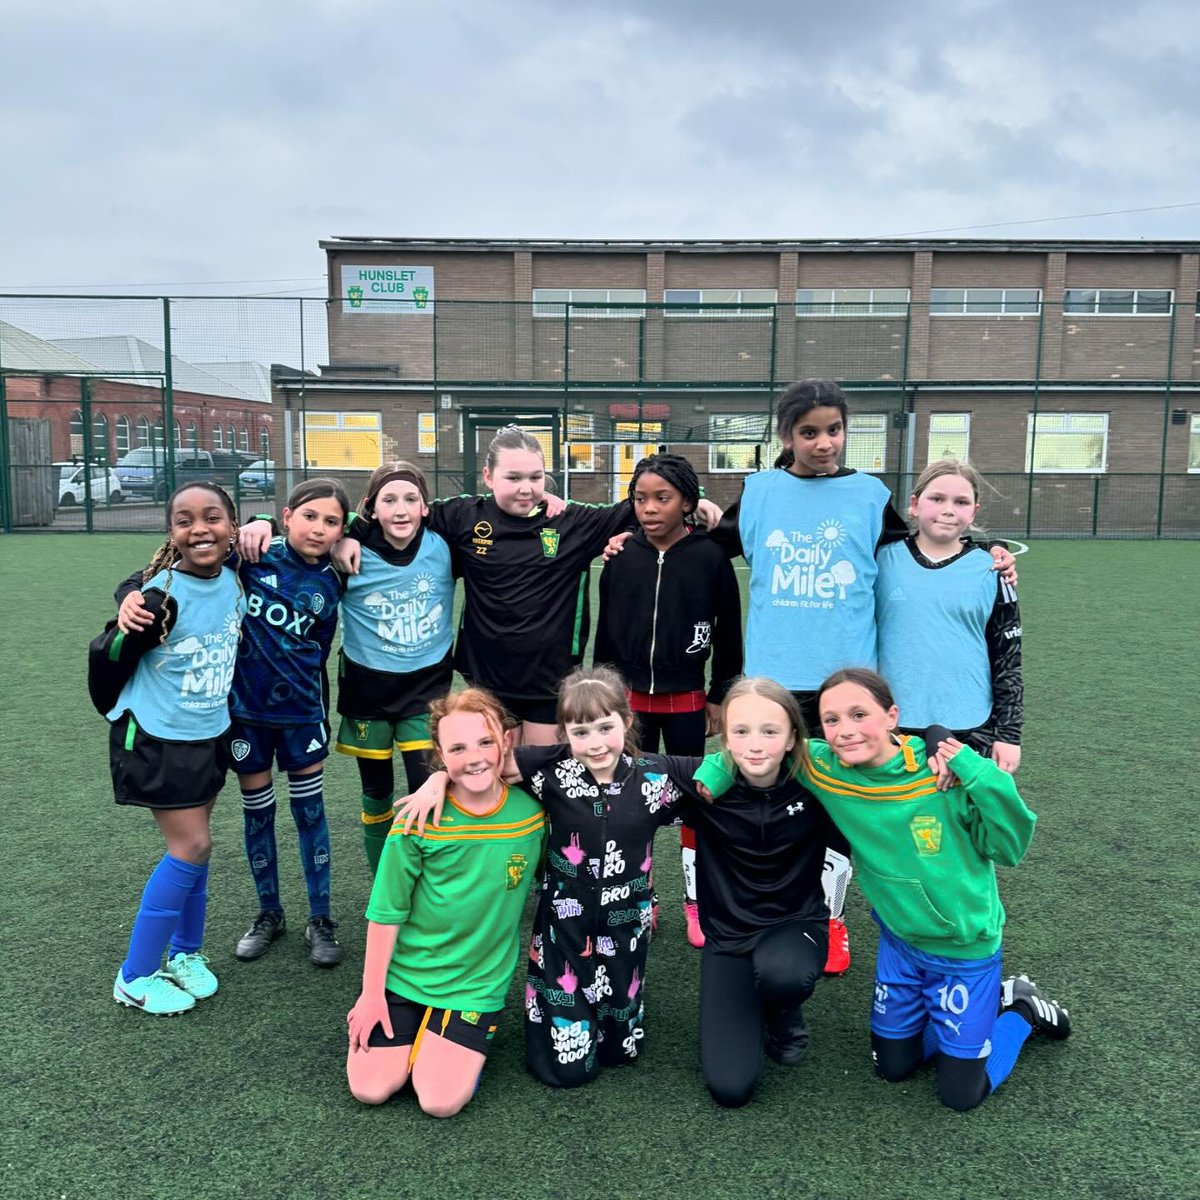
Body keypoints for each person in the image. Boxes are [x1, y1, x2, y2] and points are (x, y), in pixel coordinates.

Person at [400, 671, 833, 1107]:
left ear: (627, 722)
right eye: (580, 731)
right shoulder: (547, 770)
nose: (595, 743)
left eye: (606, 727)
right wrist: (437, 779)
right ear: (564, 733)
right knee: (567, 1071)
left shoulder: (657, 776)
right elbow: (483, 764)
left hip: (625, 927)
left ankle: (640, 1025)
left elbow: (719, 769)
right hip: (563, 932)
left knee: (618, 1050)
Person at [706, 379, 1016, 976]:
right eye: (809, 432)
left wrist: (987, 548)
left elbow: (928, 543)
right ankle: (761, 908)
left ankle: (830, 917)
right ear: (787, 436)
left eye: (834, 430)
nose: (824, 443)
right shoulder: (761, 491)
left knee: (846, 805)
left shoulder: (868, 495)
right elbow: (708, 548)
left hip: (845, 688)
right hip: (772, 684)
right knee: (767, 800)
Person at [697, 667, 1072, 1113]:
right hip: (900, 946)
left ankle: (1019, 1010)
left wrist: (970, 766)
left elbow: (1009, 849)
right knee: (893, 1067)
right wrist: (712, 772)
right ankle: (966, 1018)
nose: (846, 731)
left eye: (860, 714)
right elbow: (757, 743)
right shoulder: (821, 766)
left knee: (960, 1096)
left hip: (964, 949)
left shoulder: (944, 776)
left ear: (892, 715)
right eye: (832, 720)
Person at [333, 425, 721, 747]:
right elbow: (400, 515)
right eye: (513, 478)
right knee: (493, 773)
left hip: (548, 680)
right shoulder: (463, 516)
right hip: (484, 678)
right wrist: (352, 532)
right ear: (488, 477)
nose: (526, 488)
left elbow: (643, 505)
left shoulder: (571, 522)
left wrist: (697, 501)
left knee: (541, 778)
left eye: (536, 478)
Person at [117, 480, 351, 967]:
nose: (319, 528)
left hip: (302, 714)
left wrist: (352, 541)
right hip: (245, 716)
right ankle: (269, 912)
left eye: (332, 522)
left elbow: (382, 532)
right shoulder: (251, 556)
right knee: (257, 813)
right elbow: (165, 570)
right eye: (310, 516)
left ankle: (321, 917)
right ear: (287, 517)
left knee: (310, 814)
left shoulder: (339, 572)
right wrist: (129, 592)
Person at [239, 463, 457, 874]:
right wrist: (262, 521)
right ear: (371, 509)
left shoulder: (445, 545)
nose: (401, 509)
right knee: (376, 794)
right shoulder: (349, 550)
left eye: (411, 499)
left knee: (424, 790)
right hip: (366, 693)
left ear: (426, 507)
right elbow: (307, 536)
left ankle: (423, 887)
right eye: (389, 500)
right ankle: (383, 886)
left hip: (427, 692)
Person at [345, 688, 546, 1117]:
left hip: (476, 986)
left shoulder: (533, 816)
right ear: (440, 752)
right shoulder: (417, 820)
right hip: (406, 976)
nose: (474, 757)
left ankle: (441, 1039)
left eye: (485, 742)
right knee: (371, 1089)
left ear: (506, 742)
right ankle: (416, 1027)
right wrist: (371, 995)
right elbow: (386, 913)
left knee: (440, 1101)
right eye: (458, 747)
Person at [104, 483, 247, 1016]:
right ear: (171, 533)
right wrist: (127, 599)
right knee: (190, 846)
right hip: (158, 737)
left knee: (199, 847)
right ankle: (135, 974)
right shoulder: (157, 594)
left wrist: (265, 526)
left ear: (232, 526)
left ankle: (185, 953)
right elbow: (112, 649)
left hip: (207, 733)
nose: (199, 529)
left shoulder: (236, 578)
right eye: (184, 520)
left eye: (212, 517)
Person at [593, 452, 742, 948]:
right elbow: (605, 636)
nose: (649, 509)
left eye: (662, 498)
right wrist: (605, 694)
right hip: (629, 703)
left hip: (687, 700)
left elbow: (730, 635)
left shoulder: (710, 558)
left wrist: (720, 694)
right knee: (629, 800)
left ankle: (696, 902)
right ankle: (641, 897)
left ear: (687, 503)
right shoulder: (620, 557)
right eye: (640, 499)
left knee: (694, 802)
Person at [875, 459, 1022, 773]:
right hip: (892, 722)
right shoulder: (880, 561)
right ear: (915, 504)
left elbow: (1008, 657)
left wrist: (1009, 734)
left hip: (969, 722)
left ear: (974, 512)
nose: (948, 509)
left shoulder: (994, 570)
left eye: (961, 502)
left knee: (961, 816)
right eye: (937, 498)